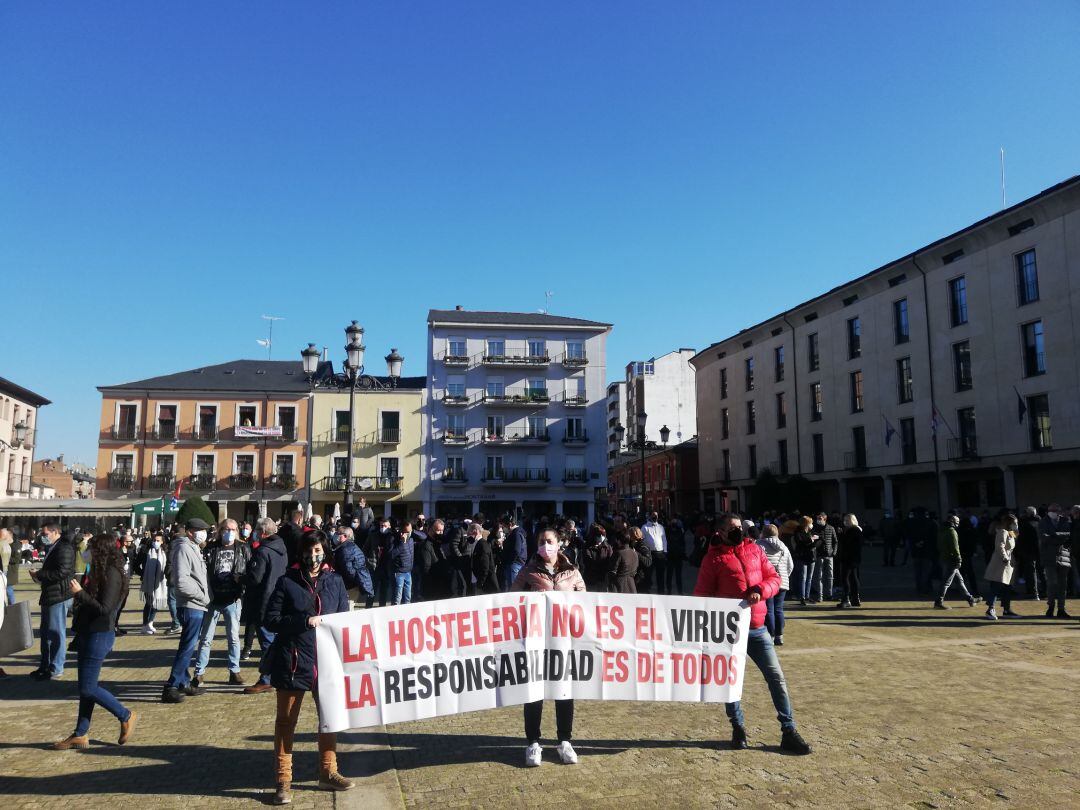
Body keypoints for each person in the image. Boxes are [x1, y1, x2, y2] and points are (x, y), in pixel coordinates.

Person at [693, 515, 811, 755]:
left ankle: (788, 730)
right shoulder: (713, 558)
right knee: (730, 683)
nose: (738, 531)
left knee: (776, 678)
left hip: (757, 627)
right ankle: (738, 728)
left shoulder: (755, 550)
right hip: (728, 631)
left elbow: (774, 579)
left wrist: (760, 590)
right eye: (732, 528)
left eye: (740, 527)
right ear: (721, 532)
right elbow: (701, 595)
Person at [264, 531, 353, 804]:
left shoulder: (335, 582)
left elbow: (342, 619)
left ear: (324, 552)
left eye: (318, 551)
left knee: (329, 718)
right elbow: (271, 619)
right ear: (301, 553)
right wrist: (304, 621)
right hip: (293, 661)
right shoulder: (287, 581)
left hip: (326, 663)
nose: (313, 556)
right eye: (309, 551)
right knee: (286, 722)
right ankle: (283, 780)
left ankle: (328, 771)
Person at [52, 533, 136, 750]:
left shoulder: (112, 573)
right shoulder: (95, 570)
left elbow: (105, 609)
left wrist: (80, 594)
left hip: (100, 634)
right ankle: (80, 733)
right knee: (85, 687)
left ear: (102, 550)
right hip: (87, 632)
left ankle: (125, 714)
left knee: (88, 687)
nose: (87, 550)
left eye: (91, 547)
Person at [512, 527, 585, 767]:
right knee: (534, 691)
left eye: (549, 540)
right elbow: (513, 599)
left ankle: (565, 740)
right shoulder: (528, 571)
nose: (545, 545)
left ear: (559, 543)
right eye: (542, 541)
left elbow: (584, 601)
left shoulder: (572, 572)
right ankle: (533, 742)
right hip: (536, 640)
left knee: (564, 690)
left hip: (564, 641)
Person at [192, 519, 251, 687]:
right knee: (206, 638)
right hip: (213, 599)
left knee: (233, 638)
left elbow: (248, 571)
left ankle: (235, 671)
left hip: (233, 599)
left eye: (233, 529)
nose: (229, 532)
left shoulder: (242, 548)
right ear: (220, 530)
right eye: (226, 529)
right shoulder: (211, 547)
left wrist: (241, 586)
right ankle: (199, 672)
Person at [162, 518, 211, 703]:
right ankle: (172, 685)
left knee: (189, 646)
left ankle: (184, 681)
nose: (204, 533)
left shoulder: (193, 548)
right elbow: (181, 581)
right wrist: (202, 596)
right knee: (187, 647)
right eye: (201, 530)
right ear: (190, 531)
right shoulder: (184, 548)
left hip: (196, 605)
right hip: (191, 605)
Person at [243, 517, 289, 694]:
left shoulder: (263, 551)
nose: (253, 533)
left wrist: (242, 578)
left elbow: (256, 578)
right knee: (275, 640)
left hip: (264, 600)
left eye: (256, 530)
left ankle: (267, 678)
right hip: (278, 598)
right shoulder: (281, 548)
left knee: (268, 643)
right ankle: (277, 675)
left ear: (262, 533)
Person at [29, 522, 75, 680]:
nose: (43, 537)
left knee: (56, 633)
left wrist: (40, 574)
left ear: (56, 532)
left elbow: (63, 572)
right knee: (46, 633)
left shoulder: (64, 548)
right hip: (49, 594)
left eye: (45, 534)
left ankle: (56, 667)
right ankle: (45, 665)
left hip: (59, 596)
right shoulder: (54, 547)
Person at [756, 524, 793, 644]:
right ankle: (779, 635)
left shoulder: (759, 545)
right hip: (782, 581)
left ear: (763, 532)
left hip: (767, 582)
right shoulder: (784, 547)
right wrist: (784, 576)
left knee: (769, 609)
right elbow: (790, 565)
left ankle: (770, 635)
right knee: (779, 609)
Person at [934, 515, 980, 609]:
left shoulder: (941, 530)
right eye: (957, 521)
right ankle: (938, 601)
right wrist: (958, 559)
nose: (958, 523)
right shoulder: (952, 531)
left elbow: (938, 545)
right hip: (952, 559)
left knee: (959, 580)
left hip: (945, 557)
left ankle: (970, 599)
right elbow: (955, 548)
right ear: (952, 521)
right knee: (946, 582)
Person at [1038, 503, 1072, 619]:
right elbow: (1043, 537)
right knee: (1052, 583)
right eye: (1052, 510)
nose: (1054, 512)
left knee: (1063, 585)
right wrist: (1058, 538)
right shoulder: (1043, 521)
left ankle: (1061, 609)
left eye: (1056, 510)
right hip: (1049, 557)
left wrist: (1053, 535)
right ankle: (1051, 607)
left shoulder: (1064, 520)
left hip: (1064, 556)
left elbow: (1068, 534)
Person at [984, 513, 1020, 620]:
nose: (1016, 524)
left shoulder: (1010, 532)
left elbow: (1016, 537)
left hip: (1009, 563)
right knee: (996, 586)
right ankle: (990, 609)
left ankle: (1007, 609)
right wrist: (1005, 557)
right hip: (1001, 563)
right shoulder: (1002, 532)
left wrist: (1016, 530)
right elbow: (1000, 546)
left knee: (1007, 587)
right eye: (1014, 523)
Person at [331, 526, 374, 609]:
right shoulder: (349, 546)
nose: (335, 535)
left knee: (347, 608)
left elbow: (348, 570)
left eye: (338, 533)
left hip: (350, 586)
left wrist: (350, 582)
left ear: (345, 536)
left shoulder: (345, 549)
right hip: (353, 583)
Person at [139, 532, 168, 633]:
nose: (155, 542)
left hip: (160, 583)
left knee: (156, 603)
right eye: (154, 540)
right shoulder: (147, 551)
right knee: (149, 603)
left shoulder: (165, 552)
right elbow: (140, 564)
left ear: (162, 542)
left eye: (158, 540)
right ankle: (145, 624)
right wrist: (143, 575)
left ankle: (150, 622)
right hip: (148, 582)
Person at [836, 514, 863, 608]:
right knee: (853, 578)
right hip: (854, 558)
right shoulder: (857, 530)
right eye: (845, 520)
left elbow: (847, 543)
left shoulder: (853, 530)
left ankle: (846, 599)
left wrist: (840, 535)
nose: (845, 522)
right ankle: (855, 598)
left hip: (849, 558)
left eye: (847, 520)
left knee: (845, 578)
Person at [1016, 507, 1042, 600]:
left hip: (1028, 550)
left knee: (1031, 571)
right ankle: (1043, 590)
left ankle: (1033, 592)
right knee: (1041, 571)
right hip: (1039, 549)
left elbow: (1018, 536)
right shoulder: (1040, 522)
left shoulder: (1023, 523)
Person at [791, 516, 818, 606]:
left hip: (811, 557)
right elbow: (800, 542)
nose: (811, 525)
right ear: (806, 524)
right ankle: (802, 597)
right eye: (810, 523)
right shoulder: (798, 532)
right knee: (803, 577)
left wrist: (814, 540)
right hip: (802, 556)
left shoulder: (810, 532)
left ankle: (807, 596)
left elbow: (818, 539)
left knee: (809, 578)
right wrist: (811, 539)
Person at [811, 513, 837, 602]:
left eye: (820, 518)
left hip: (829, 555)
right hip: (819, 555)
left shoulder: (831, 528)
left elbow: (835, 541)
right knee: (819, 576)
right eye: (817, 518)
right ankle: (820, 596)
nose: (818, 519)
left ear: (825, 519)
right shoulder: (815, 528)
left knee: (830, 576)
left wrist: (834, 552)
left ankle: (829, 594)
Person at [500, 513, 528, 592]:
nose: (503, 528)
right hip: (516, 563)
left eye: (503, 526)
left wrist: (510, 561)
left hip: (514, 563)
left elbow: (516, 550)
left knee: (513, 588)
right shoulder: (517, 532)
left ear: (509, 524)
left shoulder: (516, 533)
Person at [641, 512, 667, 593]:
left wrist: (665, 551)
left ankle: (661, 592)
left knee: (660, 575)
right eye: (653, 515)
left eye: (656, 515)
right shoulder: (644, 527)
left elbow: (664, 539)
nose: (655, 517)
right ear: (649, 516)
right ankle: (647, 591)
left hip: (660, 553)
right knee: (648, 574)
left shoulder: (661, 527)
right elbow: (641, 539)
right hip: (650, 554)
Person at [389, 521, 415, 605]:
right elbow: (391, 555)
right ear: (401, 532)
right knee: (397, 597)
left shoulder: (411, 538)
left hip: (408, 571)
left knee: (408, 597)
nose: (409, 533)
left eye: (411, 531)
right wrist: (402, 543)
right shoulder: (394, 539)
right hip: (399, 572)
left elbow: (424, 536)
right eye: (407, 532)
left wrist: (414, 531)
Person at [470, 521, 500, 594]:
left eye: (469, 531)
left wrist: (480, 583)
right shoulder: (478, 543)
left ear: (475, 531)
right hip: (479, 580)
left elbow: (485, 566)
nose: (468, 534)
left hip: (486, 584)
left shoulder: (483, 544)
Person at [665, 517, 686, 595]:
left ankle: (678, 591)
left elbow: (683, 543)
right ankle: (670, 591)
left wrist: (683, 552)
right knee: (671, 575)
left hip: (676, 555)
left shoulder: (678, 530)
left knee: (676, 575)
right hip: (672, 555)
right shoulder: (668, 530)